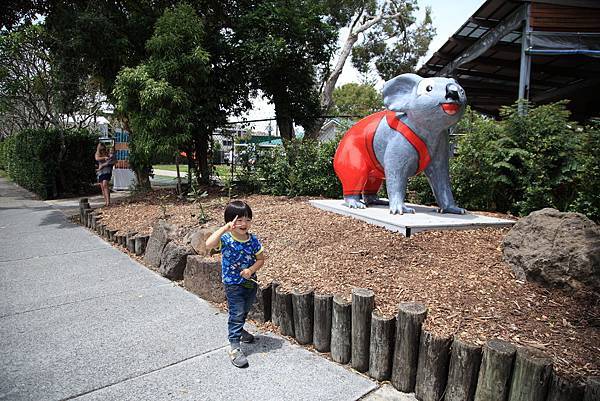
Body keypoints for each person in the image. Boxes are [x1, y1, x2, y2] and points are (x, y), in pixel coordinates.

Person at [205, 200, 265, 368]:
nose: (244, 224)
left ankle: (239, 331)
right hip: (233, 284)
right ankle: (234, 346)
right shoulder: (225, 239)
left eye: (247, 219)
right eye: (239, 220)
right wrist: (225, 228)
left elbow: (261, 259)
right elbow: (209, 244)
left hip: (250, 283)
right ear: (230, 221)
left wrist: (251, 270)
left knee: (244, 310)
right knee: (237, 312)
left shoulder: (252, 240)